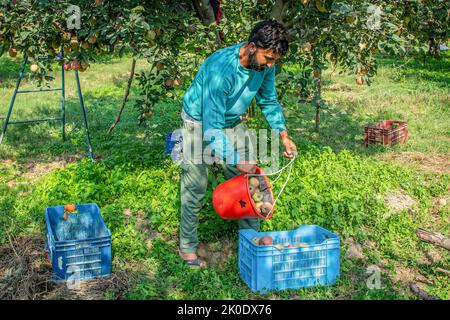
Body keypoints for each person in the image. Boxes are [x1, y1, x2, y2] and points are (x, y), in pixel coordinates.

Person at [179, 19, 297, 268]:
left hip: (232, 120)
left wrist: (283, 134)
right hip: (199, 122)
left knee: (249, 181)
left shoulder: (265, 67)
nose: (271, 65)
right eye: (268, 58)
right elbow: (211, 127)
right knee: (195, 185)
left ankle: (251, 240)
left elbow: (268, 100)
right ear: (252, 47)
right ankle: (187, 247)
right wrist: (234, 159)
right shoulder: (221, 70)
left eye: (275, 60)